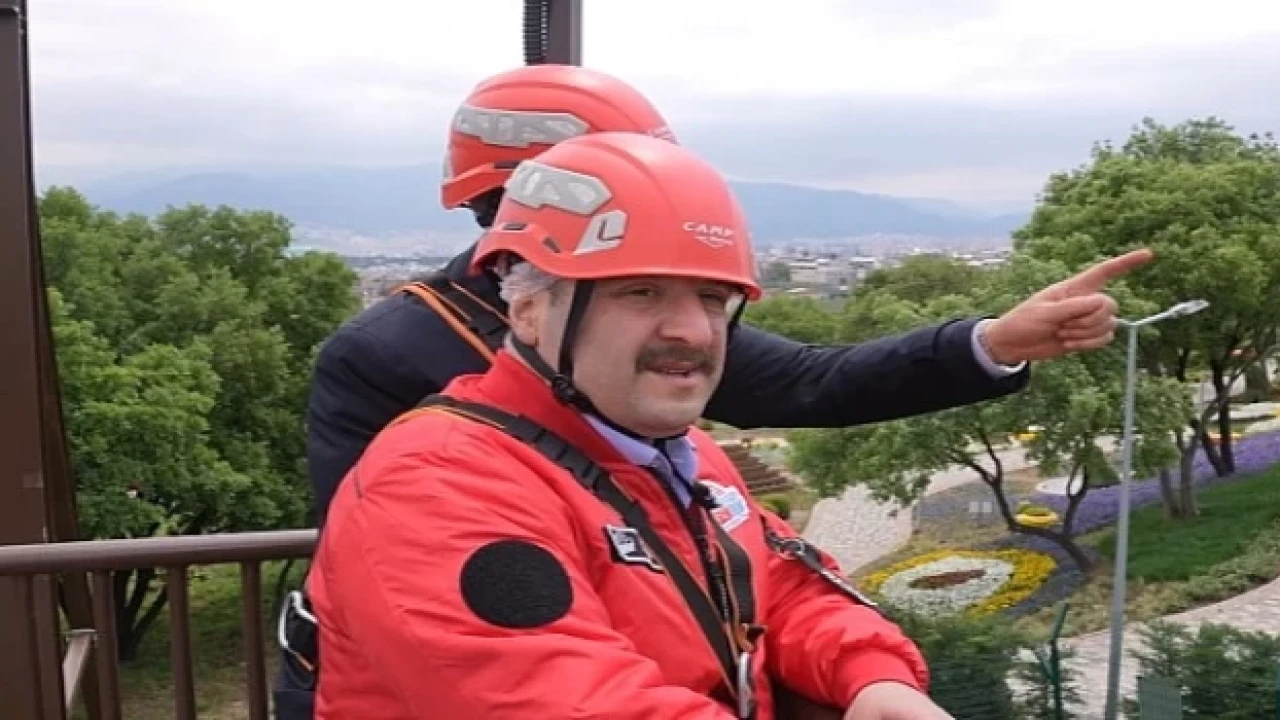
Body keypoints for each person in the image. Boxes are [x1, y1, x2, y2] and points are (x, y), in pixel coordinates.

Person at [306, 130, 956, 719]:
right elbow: (563, 700)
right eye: (640, 291)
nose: (693, 331)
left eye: (712, 298)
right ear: (528, 310)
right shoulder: (436, 485)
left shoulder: (681, 456)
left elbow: (776, 586)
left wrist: (872, 676)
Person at [306, 63, 1055, 529]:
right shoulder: (386, 355)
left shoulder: (662, 334)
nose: (688, 326)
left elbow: (811, 383)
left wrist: (991, 345)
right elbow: (379, 551)